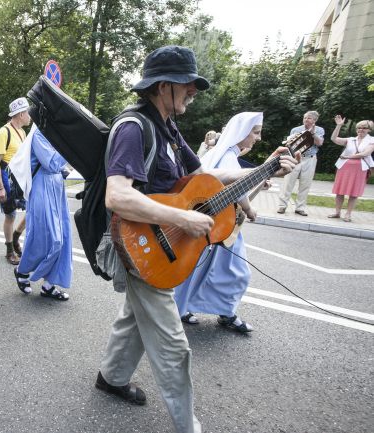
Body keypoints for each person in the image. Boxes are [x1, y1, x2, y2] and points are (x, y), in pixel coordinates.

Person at [95, 46, 297, 433]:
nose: (194, 92)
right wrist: (181, 218)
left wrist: (262, 170)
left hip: (161, 248)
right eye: (189, 85)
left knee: (135, 320)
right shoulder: (133, 127)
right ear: (165, 85)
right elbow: (117, 195)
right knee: (173, 344)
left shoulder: (168, 129)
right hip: (140, 246)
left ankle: (111, 377)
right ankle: (188, 425)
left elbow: (206, 178)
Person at [175, 112, 265, 333]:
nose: (258, 138)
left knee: (202, 269)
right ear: (242, 132)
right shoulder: (227, 157)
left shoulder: (221, 153)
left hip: (218, 224)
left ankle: (195, 309)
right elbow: (236, 189)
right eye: (255, 132)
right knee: (237, 272)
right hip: (221, 226)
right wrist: (249, 208)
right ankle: (223, 313)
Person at [12, 128, 72, 301]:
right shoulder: (39, 134)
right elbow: (52, 163)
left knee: (63, 237)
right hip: (41, 186)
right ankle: (22, 270)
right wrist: (71, 149)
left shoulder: (55, 132)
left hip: (56, 186)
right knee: (46, 237)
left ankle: (49, 285)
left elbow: (58, 166)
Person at [0, 97, 31, 265]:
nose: (30, 116)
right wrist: (0, 188)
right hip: (8, 182)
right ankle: (9, 250)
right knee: (11, 215)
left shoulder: (22, 132)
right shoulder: (4, 131)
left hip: (21, 181)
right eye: (28, 112)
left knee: (31, 211)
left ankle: (16, 237)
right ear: (21, 114)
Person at [277, 111, 324, 216]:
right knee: (288, 182)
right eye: (305, 117)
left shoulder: (320, 130)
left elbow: (319, 143)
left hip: (310, 159)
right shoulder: (296, 129)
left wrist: (312, 133)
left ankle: (300, 208)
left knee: (305, 184)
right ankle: (282, 206)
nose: (306, 119)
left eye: (309, 118)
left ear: (315, 120)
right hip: (295, 158)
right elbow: (289, 144)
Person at [328, 116, 374, 222]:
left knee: (353, 193)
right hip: (344, 168)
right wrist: (338, 126)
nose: (361, 130)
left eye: (364, 128)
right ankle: (337, 212)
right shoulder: (350, 140)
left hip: (360, 169)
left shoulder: (372, 140)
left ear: (369, 130)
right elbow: (334, 139)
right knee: (340, 191)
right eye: (359, 128)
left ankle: (348, 214)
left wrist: (347, 156)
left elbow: (365, 153)